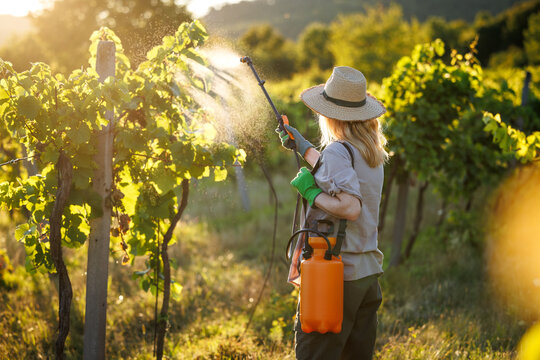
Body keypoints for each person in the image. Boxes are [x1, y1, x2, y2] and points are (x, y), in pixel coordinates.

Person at [277, 66, 388, 360]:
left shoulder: (339, 151)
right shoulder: (369, 152)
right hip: (366, 276)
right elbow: (333, 168)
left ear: (330, 114)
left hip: (335, 277)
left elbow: (350, 206)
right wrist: (302, 145)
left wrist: (312, 193)